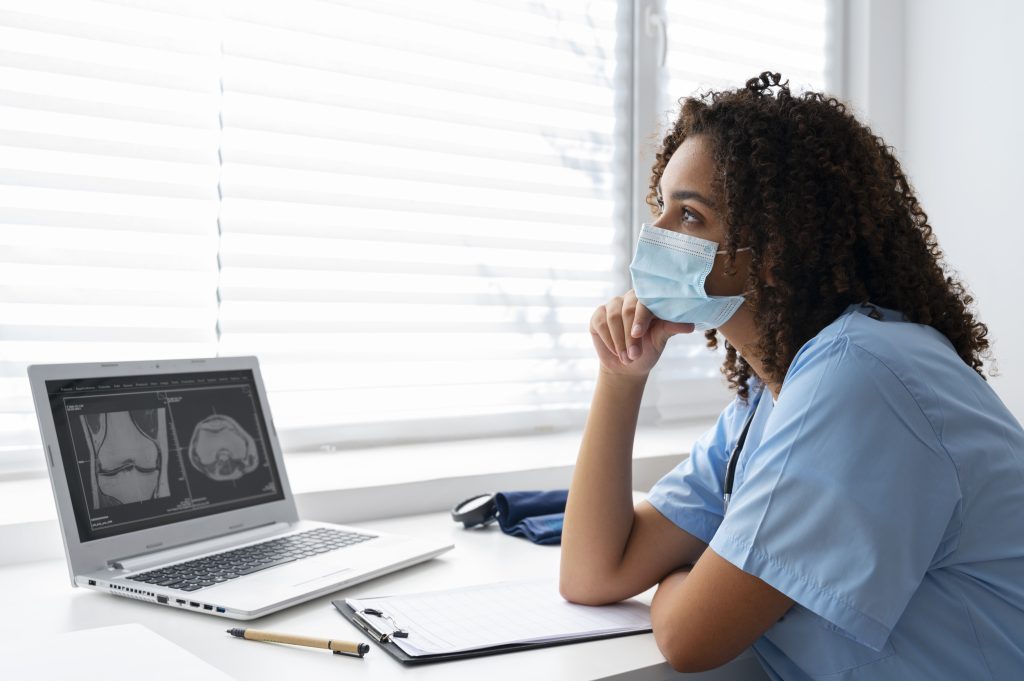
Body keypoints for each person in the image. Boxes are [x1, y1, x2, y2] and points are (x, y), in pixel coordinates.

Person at [559, 71, 1024, 680]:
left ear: (775, 246)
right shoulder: (767, 401)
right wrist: (621, 378)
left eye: (691, 216)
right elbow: (593, 573)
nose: (658, 235)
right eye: (661, 208)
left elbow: (689, 638)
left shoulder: (862, 375)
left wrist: (680, 577)